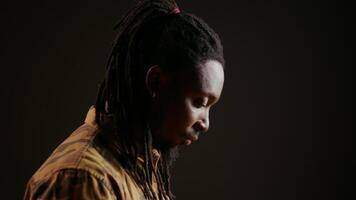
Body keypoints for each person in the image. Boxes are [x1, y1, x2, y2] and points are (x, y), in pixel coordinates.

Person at [23, 0, 225, 199]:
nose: (205, 124)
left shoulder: (140, 166)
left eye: (210, 106)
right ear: (155, 83)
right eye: (199, 102)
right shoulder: (85, 179)